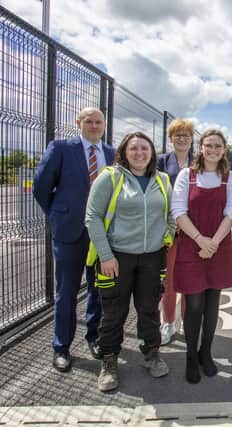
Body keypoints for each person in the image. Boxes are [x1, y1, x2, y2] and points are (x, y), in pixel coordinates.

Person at [85, 132, 175, 392]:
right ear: (124, 152)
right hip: (116, 257)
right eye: (133, 148)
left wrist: (166, 238)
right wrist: (105, 255)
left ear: (152, 153)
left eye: (144, 148)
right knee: (113, 312)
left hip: (152, 256)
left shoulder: (163, 179)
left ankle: (152, 353)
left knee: (148, 309)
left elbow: (170, 214)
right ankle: (109, 362)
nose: (139, 153)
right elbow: (92, 217)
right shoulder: (110, 177)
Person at [33, 107, 114, 372]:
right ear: (78, 123)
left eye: (98, 121)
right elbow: (41, 187)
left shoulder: (112, 154)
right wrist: (58, 214)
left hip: (101, 234)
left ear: (104, 125)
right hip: (69, 232)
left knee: (98, 290)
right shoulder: (60, 149)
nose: (94, 125)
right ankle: (61, 347)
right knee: (66, 292)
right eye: (88, 121)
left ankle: (94, 338)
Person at [172, 129, 232, 384]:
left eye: (218, 146)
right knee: (194, 305)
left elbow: (231, 213)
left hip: (219, 246)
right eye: (208, 145)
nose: (213, 150)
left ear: (224, 149)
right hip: (192, 246)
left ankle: (206, 353)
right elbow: (178, 211)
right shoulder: (186, 176)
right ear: (200, 147)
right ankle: (191, 356)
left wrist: (213, 243)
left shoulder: (231, 178)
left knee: (212, 304)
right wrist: (201, 240)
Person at [157, 118, 194, 346]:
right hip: (168, 230)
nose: (182, 138)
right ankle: (168, 322)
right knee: (168, 280)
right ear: (171, 139)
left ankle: (188, 321)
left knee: (190, 280)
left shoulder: (199, 161)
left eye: (186, 135)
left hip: (194, 231)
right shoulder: (160, 162)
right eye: (177, 135)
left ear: (192, 139)